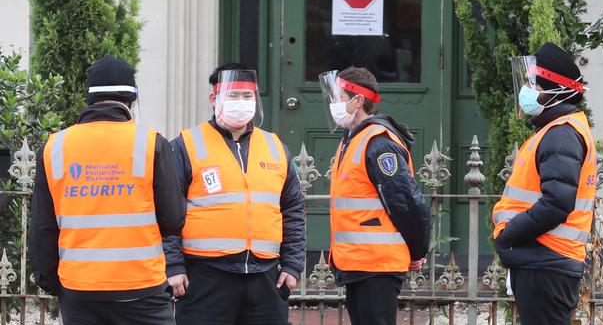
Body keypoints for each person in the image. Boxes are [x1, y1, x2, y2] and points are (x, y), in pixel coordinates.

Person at [29, 54, 186, 325]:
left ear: (89, 97)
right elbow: (174, 219)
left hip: (80, 289)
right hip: (141, 288)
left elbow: (43, 228)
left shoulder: (55, 147)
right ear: (131, 99)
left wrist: (54, 283)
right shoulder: (152, 144)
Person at [167, 64, 305, 325]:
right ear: (214, 99)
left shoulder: (275, 146)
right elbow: (168, 213)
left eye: (247, 96)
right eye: (232, 95)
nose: (241, 103)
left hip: (266, 277)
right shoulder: (186, 145)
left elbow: (293, 210)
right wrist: (173, 267)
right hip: (205, 278)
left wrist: (293, 264)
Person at [493, 42, 597, 325]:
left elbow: (557, 203)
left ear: (553, 89)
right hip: (545, 261)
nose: (525, 89)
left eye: (531, 83)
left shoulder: (561, 134)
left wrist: (509, 235)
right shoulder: (557, 130)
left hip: (547, 261)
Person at [320, 66, 432, 325]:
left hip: (376, 264)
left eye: (337, 97)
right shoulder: (353, 138)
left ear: (357, 101)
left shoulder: (378, 142)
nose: (333, 104)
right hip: (359, 262)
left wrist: (416, 251)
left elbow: (407, 203)